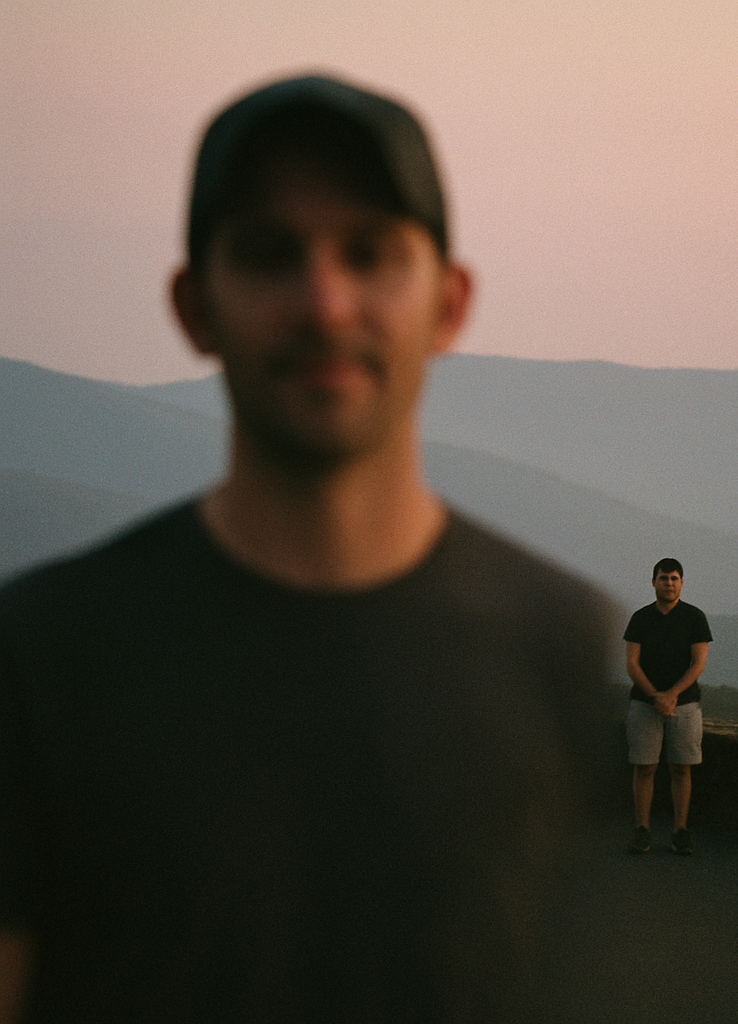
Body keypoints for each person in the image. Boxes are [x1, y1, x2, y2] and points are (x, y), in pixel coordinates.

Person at [0, 74, 617, 1024]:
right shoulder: (38, 656)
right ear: (195, 306)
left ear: (448, 304)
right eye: (268, 253)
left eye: (370, 252)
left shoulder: (561, 650)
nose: (324, 301)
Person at [624, 557, 712, 855]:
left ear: (682, 583)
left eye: (674, 578)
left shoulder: (694, 617)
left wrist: (672, 695)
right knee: (644, 767)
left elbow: (698, 662)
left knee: (681, 769)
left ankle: (680, 830)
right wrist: (656, 697)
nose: (669, 583)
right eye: (664, 578)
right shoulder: (640, 618)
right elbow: (632, 664)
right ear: (654, 582)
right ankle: (642, 829)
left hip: (685, 705)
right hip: (645, 704)